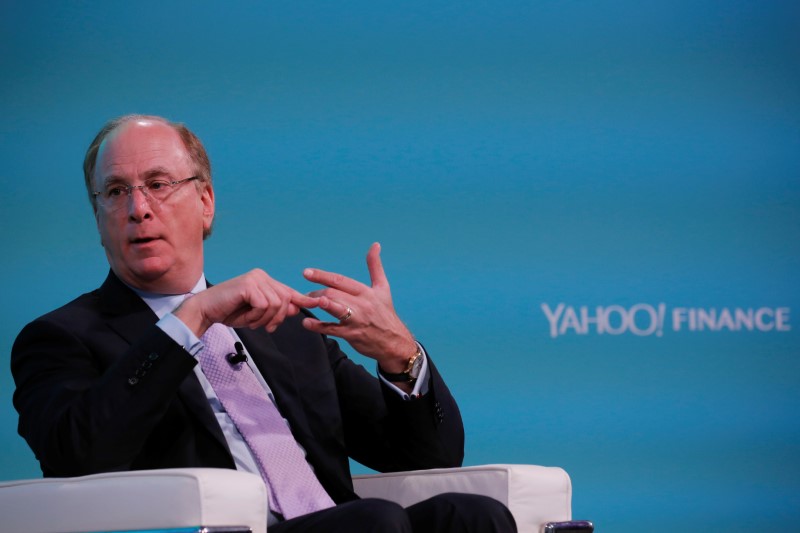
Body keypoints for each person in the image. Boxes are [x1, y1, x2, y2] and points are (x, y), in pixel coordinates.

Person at [11, 115, 516, 532]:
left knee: (475, 517)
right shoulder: (61, 337)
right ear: (98, 217)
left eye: (158, 185)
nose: (138, 209)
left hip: (338, 524)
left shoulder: (286, 329)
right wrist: (193, 318)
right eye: (116, 192)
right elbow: (75, 456)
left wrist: (399, 353)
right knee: (375, 524)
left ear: (205, 203)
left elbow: (425, 460)